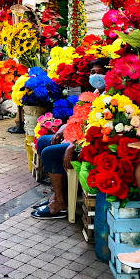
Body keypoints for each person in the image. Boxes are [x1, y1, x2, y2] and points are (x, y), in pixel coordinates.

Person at [31, 58, 109, 220]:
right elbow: (79, 118)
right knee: (43, 141)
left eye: (100, 73)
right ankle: (60, 194)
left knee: (50, 152)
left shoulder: (109, 99)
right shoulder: (93, 94)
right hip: (79, 136)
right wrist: (62, 128)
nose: (95, 76)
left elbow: (94, 128)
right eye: (93, 72)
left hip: (92, 144)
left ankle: (60, 203)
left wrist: (72, 145)